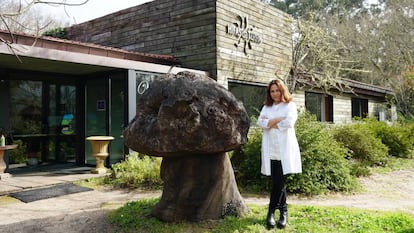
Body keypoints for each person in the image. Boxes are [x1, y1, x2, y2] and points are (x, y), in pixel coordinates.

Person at [257, 79, 302, 229]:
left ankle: (271, 212)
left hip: (284, 149)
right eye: (272, 91)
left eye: (277, 90)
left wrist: (271, 122)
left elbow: (289, 123)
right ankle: (283, 212)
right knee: (277, 182)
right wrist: (276, 121)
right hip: (271, 150)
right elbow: (261, 123)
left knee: (279, 182)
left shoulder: (290, 105)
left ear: (282, 90)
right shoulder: (266, 107)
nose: (275, 94)